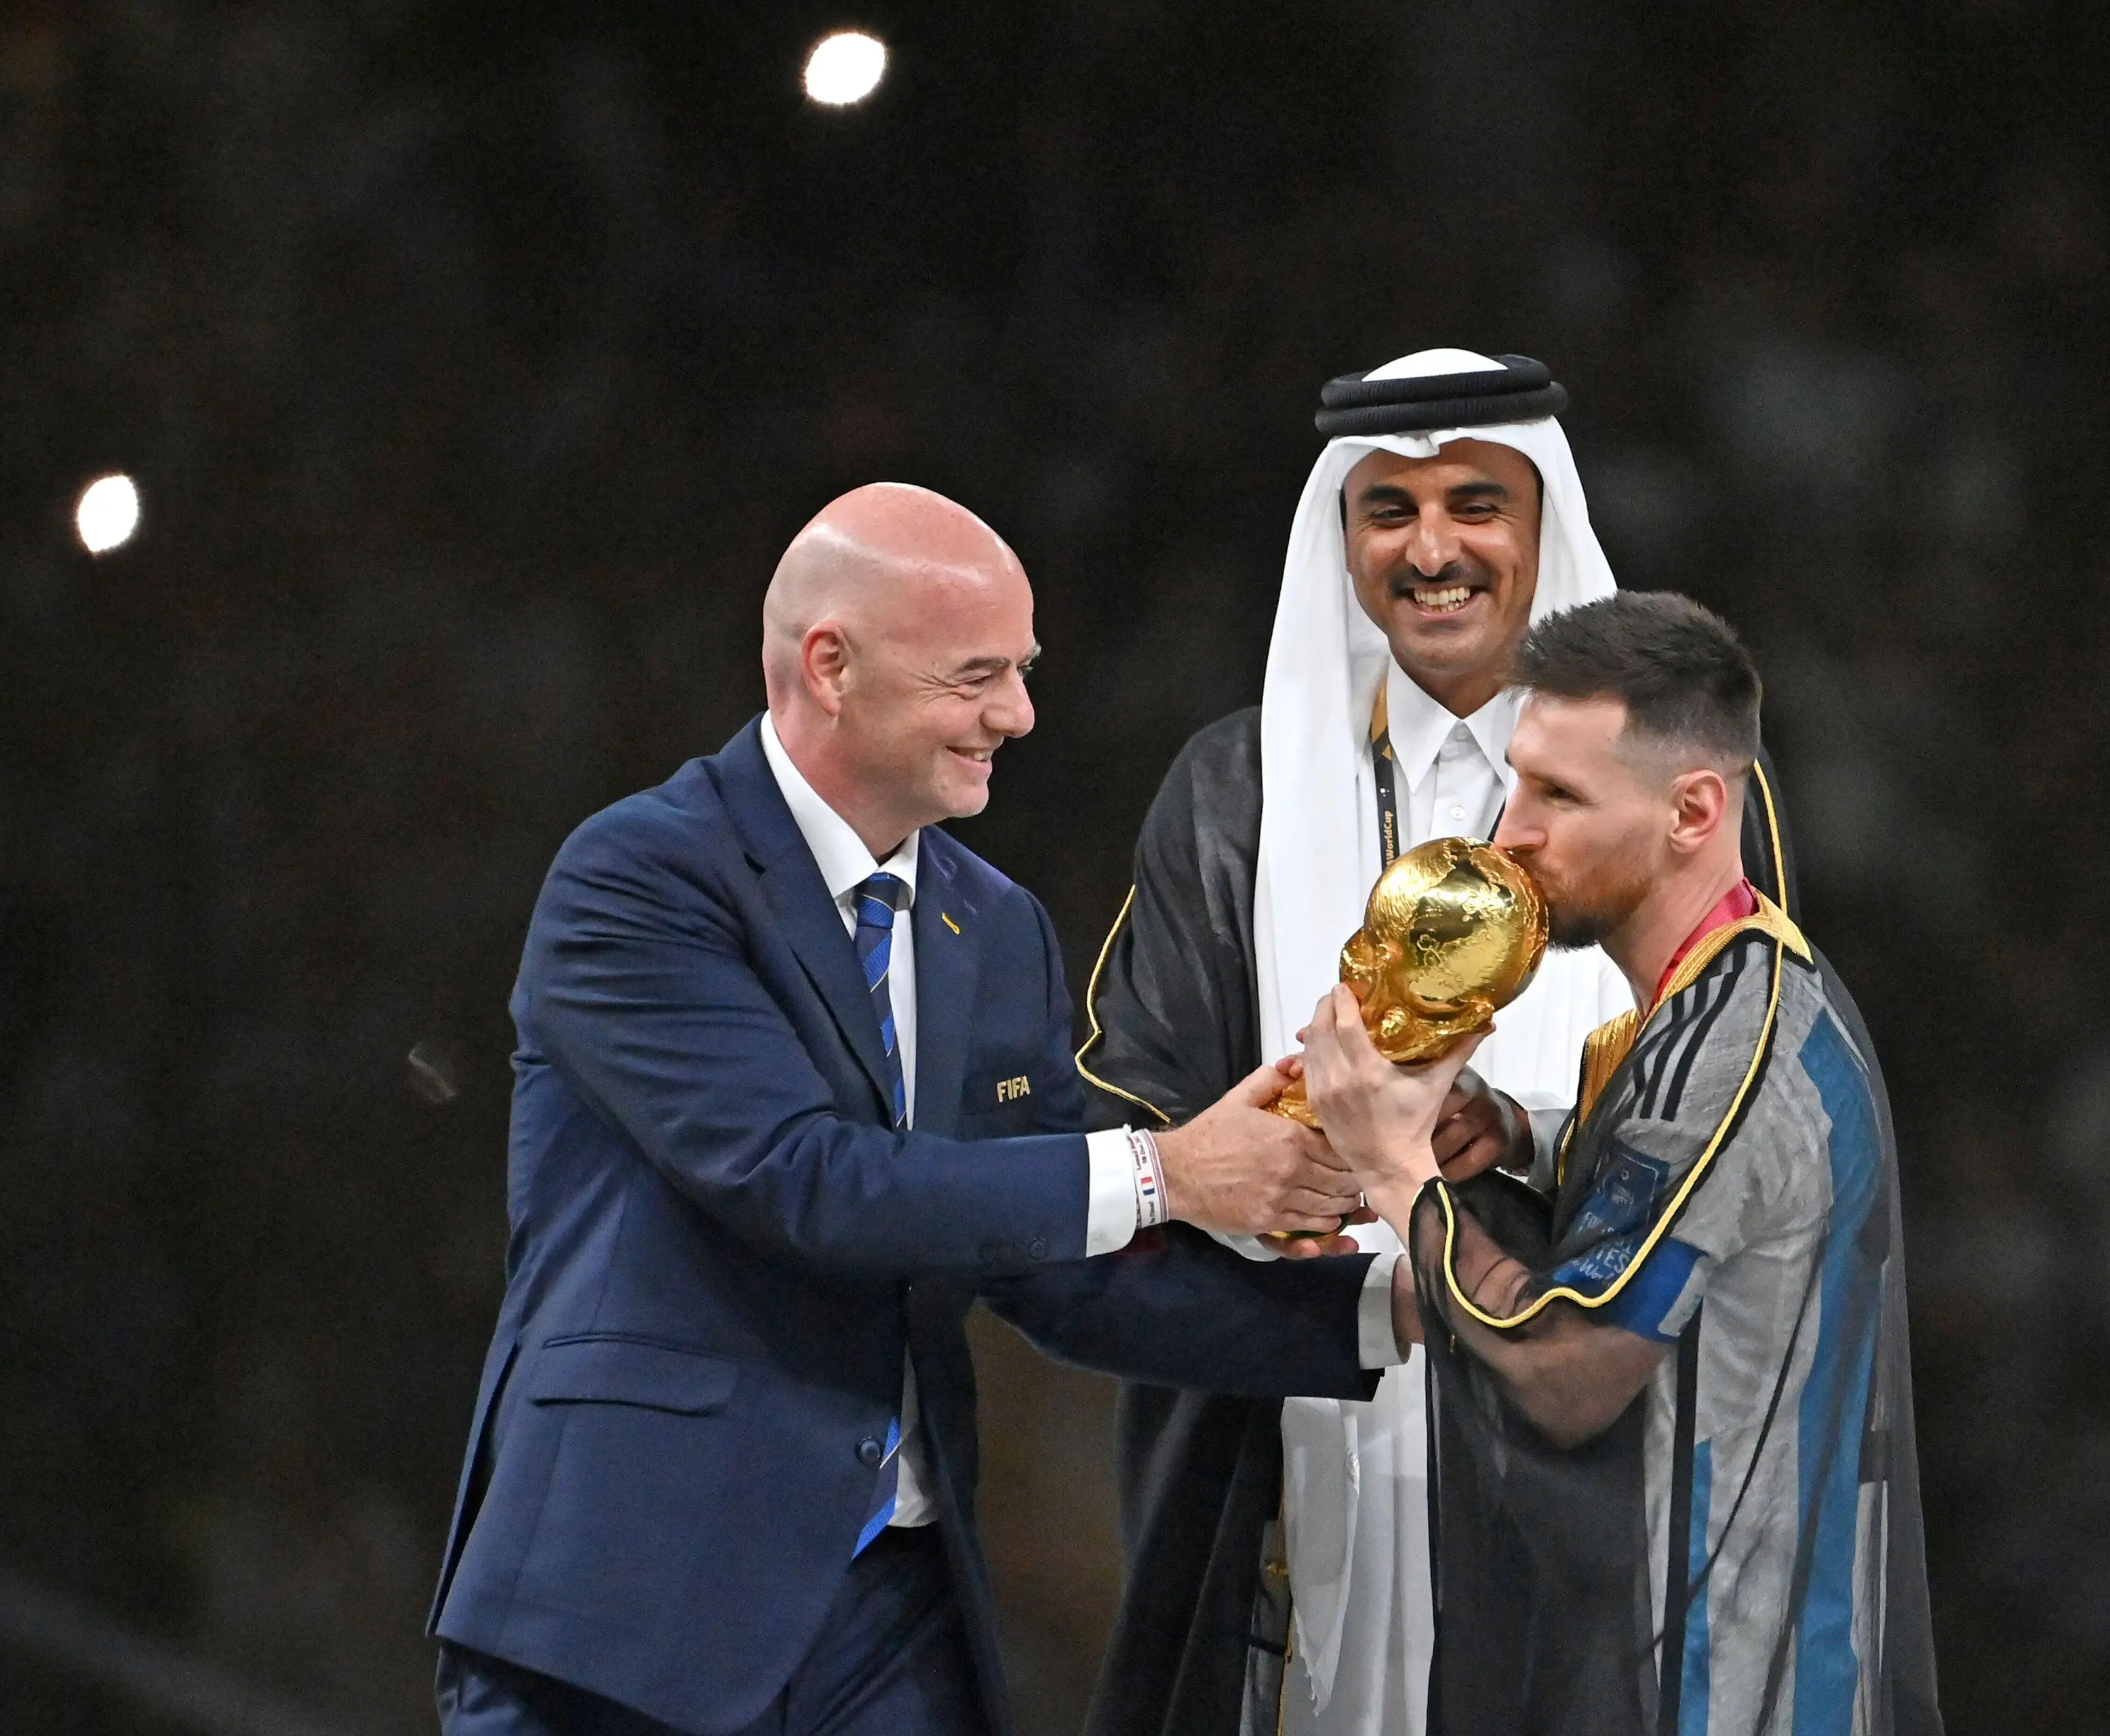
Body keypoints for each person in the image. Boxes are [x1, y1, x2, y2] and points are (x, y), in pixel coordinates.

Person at [425, 483, 1417, 1736]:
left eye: (1025, 670)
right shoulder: (640, 876)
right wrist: (1169, 1170)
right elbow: (803, 1180)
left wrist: (1394, 1309)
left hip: (890, 1620)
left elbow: (1061, 1273)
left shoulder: (992, 928)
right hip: (629, 1605)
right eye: (976, 676)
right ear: (830, 667)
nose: (1018, 714)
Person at [1076, 352, 1799, 1736]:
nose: (1434, 548)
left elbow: (1743, 1109)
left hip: (1580, 1425)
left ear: (1543, 527)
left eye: (1478, 502)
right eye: (1388, 509)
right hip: (1291, 1429)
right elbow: (1127, 1107)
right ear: (1338, 538)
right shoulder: (1236, 792)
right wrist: (1251, 1154)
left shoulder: (1678, 802)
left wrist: (1514, 1128)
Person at [1300, 593, 1941, 1736]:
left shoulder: (1739, 1048)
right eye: (1519, 781)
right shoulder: (1715, 1000)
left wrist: (1398, 1171)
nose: (1512, 835)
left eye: (1560, 796)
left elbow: (1568, 1373)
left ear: (1694, 810)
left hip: (1724, 1696)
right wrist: (1528, 1134)